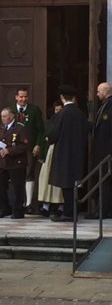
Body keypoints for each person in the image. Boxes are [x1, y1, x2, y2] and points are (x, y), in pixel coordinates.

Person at [49, 85, 88, 222]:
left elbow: (53, 135)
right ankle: (71, 211)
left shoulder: (61, 114)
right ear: (74, 98)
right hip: (78, 154)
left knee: (66, 184)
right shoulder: (80, 114)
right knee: (74, 184)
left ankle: (68, 213)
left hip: (63, 154)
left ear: (62, 97)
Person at [0, 107, 30, 219]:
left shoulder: (20, 128)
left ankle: (18, 210)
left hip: (16, 163)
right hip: (3, 162)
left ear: (11, 116)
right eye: (2, 116)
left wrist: (9, 151)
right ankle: (4, 209)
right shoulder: (1, 127)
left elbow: (25, 145)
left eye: (5, 116)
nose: (2, 119)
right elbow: (1, 140)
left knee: (18, 187)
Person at [11, 88, 45, 214]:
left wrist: (38, 145)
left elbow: (41, 130)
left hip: (30, 148)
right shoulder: (10, 110)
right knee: (15, 175)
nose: (23, 99)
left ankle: (29, 204)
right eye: (21, 97)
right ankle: (18, 202)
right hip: (14, 149)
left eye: (25, 97)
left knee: (29, 173)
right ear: (16, 97)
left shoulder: (34, 110)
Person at [89, 83, 112, 219]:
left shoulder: (109, 107)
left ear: (105, 91)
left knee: (105, 181)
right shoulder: (104, 105)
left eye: (98, 91)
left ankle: (103, 211)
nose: (97, 94)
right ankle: (101, 209)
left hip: (107, 152)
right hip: (102, 152)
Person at [37, 101, 64, 218]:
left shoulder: (66, 122)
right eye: (56, 110)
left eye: (60, 110)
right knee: (45, 179)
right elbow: (44, 138)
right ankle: (46, 206)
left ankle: (61, 206)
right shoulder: (50, 122)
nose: (58, 112)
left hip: (61, 154)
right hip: (49, 153)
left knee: (60, 180)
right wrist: (42, 155)